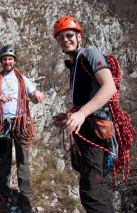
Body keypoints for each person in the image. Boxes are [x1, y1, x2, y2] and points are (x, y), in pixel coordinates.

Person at [52, 16, 116, 213]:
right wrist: (72, 116)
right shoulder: (76, 63)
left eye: (69, 35)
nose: (65, 39)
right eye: (60, 37)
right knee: (95, 191)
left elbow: (109, 87)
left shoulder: (90, 54)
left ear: (79, 36)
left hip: (94, 131)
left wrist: (81, 114)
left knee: (92, 194)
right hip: (88, 130)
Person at [0, 45, 44, 212]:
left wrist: (37, 95)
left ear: (15, 61)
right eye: (4, 59)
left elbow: (32, 96)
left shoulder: (22, 79)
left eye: (10, 59)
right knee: (4, 161)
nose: (7, 61)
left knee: (23, 160)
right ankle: (3, 195)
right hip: (2, 123)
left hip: (20, 121)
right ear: (1, 61)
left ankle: (25, 196)